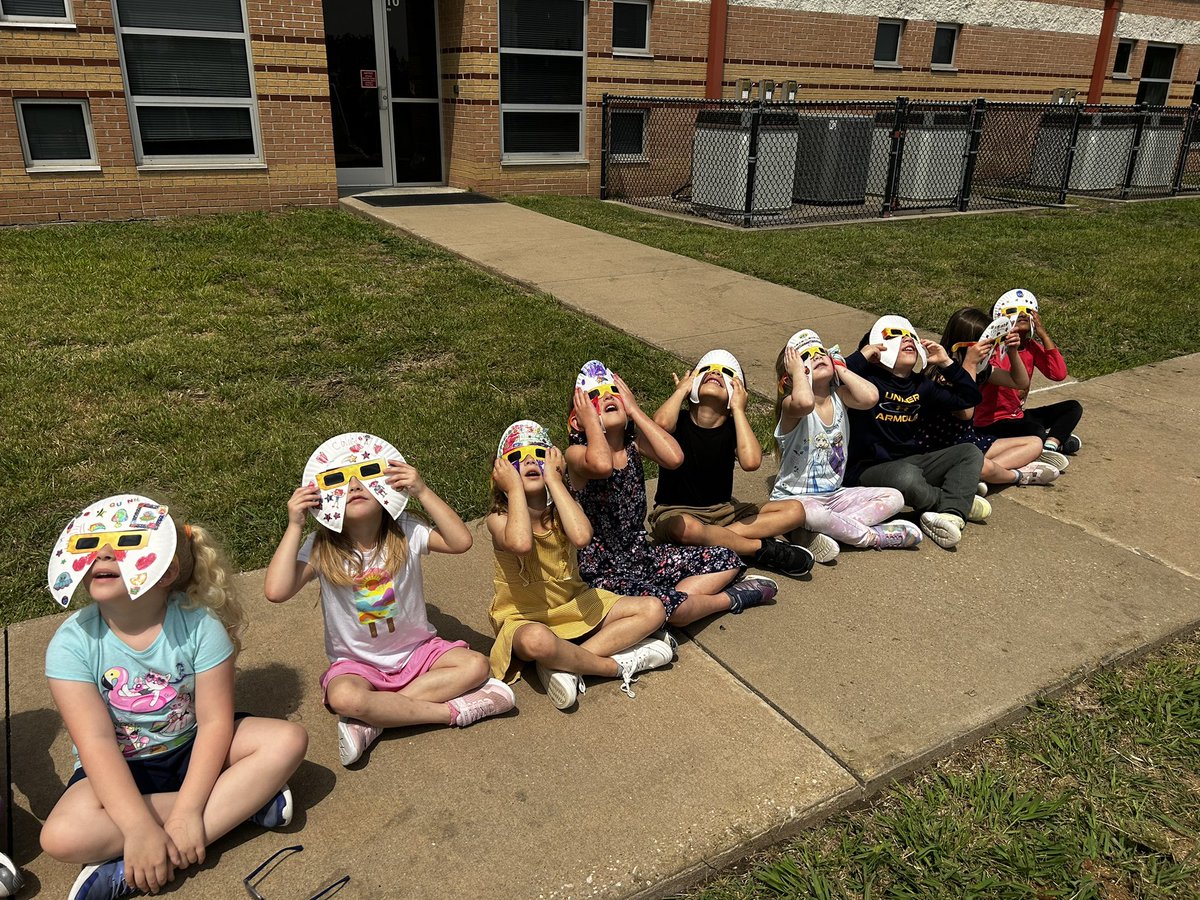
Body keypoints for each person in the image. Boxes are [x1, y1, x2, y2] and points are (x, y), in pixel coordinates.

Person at [42, 494, 307, 900]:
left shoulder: (200, 626)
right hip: (119, 768)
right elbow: (94, 743)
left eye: (126, 544)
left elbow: (216, 722)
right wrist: (136, 827)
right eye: (93, 546)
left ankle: (140, 867)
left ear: (167, 572)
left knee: (287, 741)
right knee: (60, 837)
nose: (104, 555)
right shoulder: (71, 644)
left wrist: (186, 813)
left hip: (194, 749)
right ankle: (239, 805)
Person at [265, 432, 514, 768]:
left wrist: (422, 491)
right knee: (344, 697)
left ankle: (375, 719)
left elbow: (460, 542)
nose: (354, 486)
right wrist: (295, 525)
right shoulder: (322, 546)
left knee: (476, 665)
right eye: (339, 479)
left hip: (417, 652)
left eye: (366, 475)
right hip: (358, 665)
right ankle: (451, 712)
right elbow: (276, 591)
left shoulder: (406, 530)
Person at [566, 360, 778, 626]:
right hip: (601, 573)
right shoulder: (576, 455)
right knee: (668, 606)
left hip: (641, 557)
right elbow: (601, 464)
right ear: (578, 420)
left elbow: (675, 457)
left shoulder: (634, 445)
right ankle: (725, 600)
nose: (608, 396)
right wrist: (590, 424)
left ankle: (665, 612)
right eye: (594, 397)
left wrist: (635, 409)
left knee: (727, 558)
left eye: (614, 392)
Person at [487, 420, 674, 710]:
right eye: (516, 458)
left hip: (573, 603)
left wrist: (555, 482)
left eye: (539, 454)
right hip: (524, 617)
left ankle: (564, 665)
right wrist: (514, 493)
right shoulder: (498, 519)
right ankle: (613, 666)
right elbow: (521, 544)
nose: (528, 461)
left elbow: (582, 536)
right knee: (539, 642)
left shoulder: (562, 508)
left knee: (654, 608)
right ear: (501, 476)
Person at [648, 349, 812, 577]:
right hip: (675, 512)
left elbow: (752, 461)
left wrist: (738, 411)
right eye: (706, 370)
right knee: (684, 528)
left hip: (723, 511)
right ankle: (758, 548)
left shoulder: (733, 429)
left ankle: (718, 539)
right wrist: (681, 391)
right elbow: (660, 426)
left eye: (725, 372)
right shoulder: (678, 423)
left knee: (795, 510)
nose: (715, 372)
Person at [771, 329, 922, 562]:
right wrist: (799, 375)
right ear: (791, 377)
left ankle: (820, 533)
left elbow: (871, 397)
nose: (818, 356)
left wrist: (840, 368)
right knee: (816, 514)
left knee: (895, 497)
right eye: (806, 356)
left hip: (835, 496)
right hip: (795, 500)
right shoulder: (792, 406)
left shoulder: (839, 396)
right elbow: (805, 401)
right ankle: (873, 537)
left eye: (821, 352)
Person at [844, 316, 990, 550]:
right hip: (866, 469)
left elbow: (969, 399)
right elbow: (834, 378)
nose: (907, 339)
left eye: (911, 336)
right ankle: (955, 500)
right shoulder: (865, 381)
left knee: (970, 453)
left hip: (911, 460)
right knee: (906, 476)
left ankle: (952, 515)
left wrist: (947, 364)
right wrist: (861, 358)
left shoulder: (921, 384)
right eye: (895, 336)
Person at [926, 306, 1060, 492]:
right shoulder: (941, 373)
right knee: (984, 465)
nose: (994, 348)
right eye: (990, 344)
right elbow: (966, 412)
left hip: (968, 440)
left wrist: (1012, 351)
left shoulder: (981, 369)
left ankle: (977, 476)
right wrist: (970, 365)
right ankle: (1015, 475)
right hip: (944, 449)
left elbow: (1019, 381)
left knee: (1035, 442)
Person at [974, 289, 1083, 470]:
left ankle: (1050, 446)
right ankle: (1050, 443)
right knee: (1035, 431)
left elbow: (1058, 374)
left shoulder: (1031, 347)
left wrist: (1043, 334)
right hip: (991, 422)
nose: (1023, 314)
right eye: (1013, 311)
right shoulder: (993, 348)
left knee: (1072, 408)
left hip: (1017, 416)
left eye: (1028, 311)